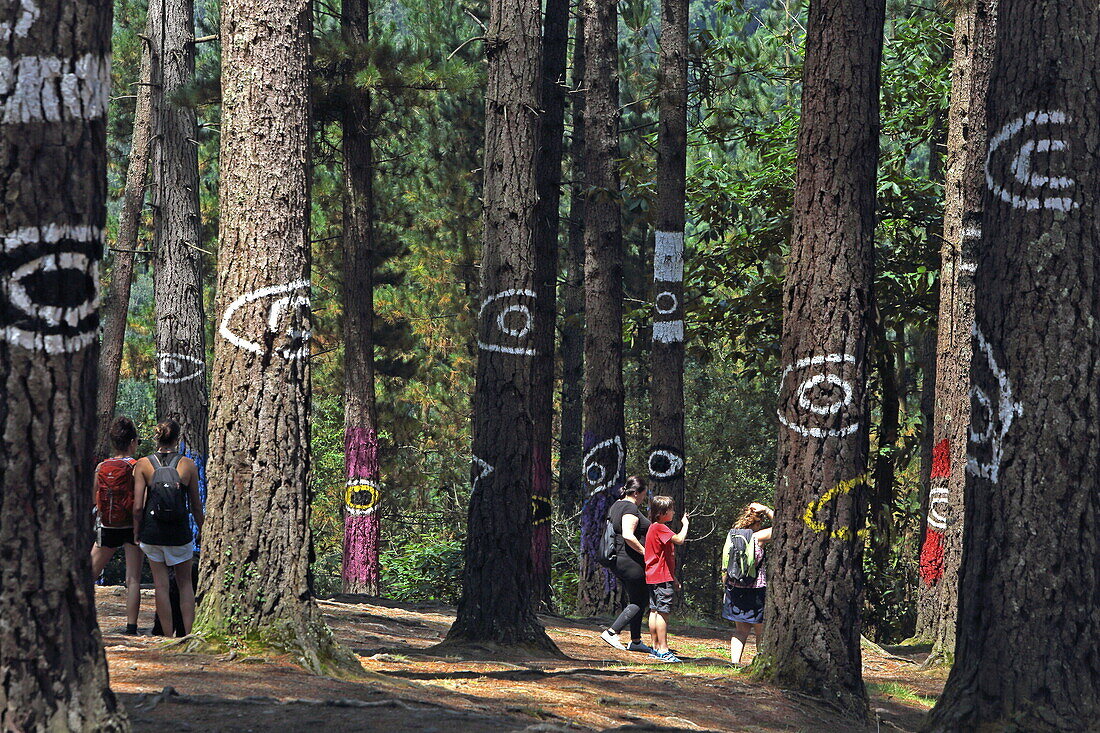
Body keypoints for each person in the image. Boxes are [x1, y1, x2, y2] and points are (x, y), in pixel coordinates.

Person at [134, 419, 204, 637]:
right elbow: (195, 504)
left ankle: (165, 637)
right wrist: (203, 529)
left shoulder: (142, 464)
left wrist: (137, 532)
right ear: (177, 438)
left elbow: (137, 506)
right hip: (179, 533)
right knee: (185, 586)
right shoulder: (188, 465)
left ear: (157, 437)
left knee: (161, 586)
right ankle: (188, 635)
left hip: (152, 533)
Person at [90, 416, 145, 635]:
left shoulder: (102, 466)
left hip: (107, 526)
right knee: (133, 579)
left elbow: (94, 497)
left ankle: (81, 619)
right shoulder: (137, 466)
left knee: (89, 574)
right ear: (133, 442)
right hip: (132, 527)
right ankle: (131, 627)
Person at [599, 476, 655, 654]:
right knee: (640, 601)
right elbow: (628, 535)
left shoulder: (616, 505)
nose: (643, 499)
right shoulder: (630, 507)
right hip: (629, 560)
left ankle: (636, 641)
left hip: (619, 560)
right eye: (643, 495)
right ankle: (612, 632)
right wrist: (646, 553)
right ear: (637, 492)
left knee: (637, 599)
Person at [722, 501, 773, 665]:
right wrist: (766, 510)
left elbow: (725, 564)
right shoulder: (758, 537)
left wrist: (726, 587)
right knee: (760, 629)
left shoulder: (733, 535)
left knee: (740, 630)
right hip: (757, 588)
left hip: (735, 586)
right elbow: (784, 526)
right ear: (757, 522)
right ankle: (760, 662)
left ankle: (734, 663)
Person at [644, 495, 690, 663]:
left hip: (653, 575)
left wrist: (674, 578)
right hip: (661, 577)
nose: (673, 512)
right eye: (671, 510)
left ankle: (655, 648)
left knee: (654, 610)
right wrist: (685, 525)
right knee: (662, 612)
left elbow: (662, 557)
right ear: (662, 513)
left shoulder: (652, 528)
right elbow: (679, 540)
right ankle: (663, 650)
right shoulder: (660, 528)